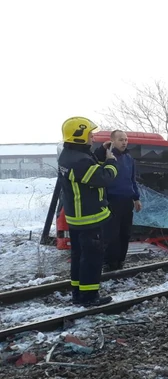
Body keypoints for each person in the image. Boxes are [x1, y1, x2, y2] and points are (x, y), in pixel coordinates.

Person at [58, 117, 117, 307]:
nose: (93, 137)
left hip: (77, 217)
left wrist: (100, 152)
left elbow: (88, 166)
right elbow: (102, 177)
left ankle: (78, 293)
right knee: (92, 258)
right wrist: (111, 163)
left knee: (79, 256)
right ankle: (90, 297)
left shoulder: (69, 155)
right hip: (89, 218)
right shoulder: (79, 161)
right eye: (90, 134)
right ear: (79, 136)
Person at [95, 130, 142, 271]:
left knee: (125, 234)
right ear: (113, 141)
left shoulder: (129, 158)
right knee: (111, 235)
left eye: (126, 139)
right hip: (111, 201)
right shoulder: (107, 157)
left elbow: (132, 180)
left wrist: (136, 198)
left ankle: (121, 262)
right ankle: (109, 264)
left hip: (127, 201)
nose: (124, 142)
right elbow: (97, 169)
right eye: (121, 140)